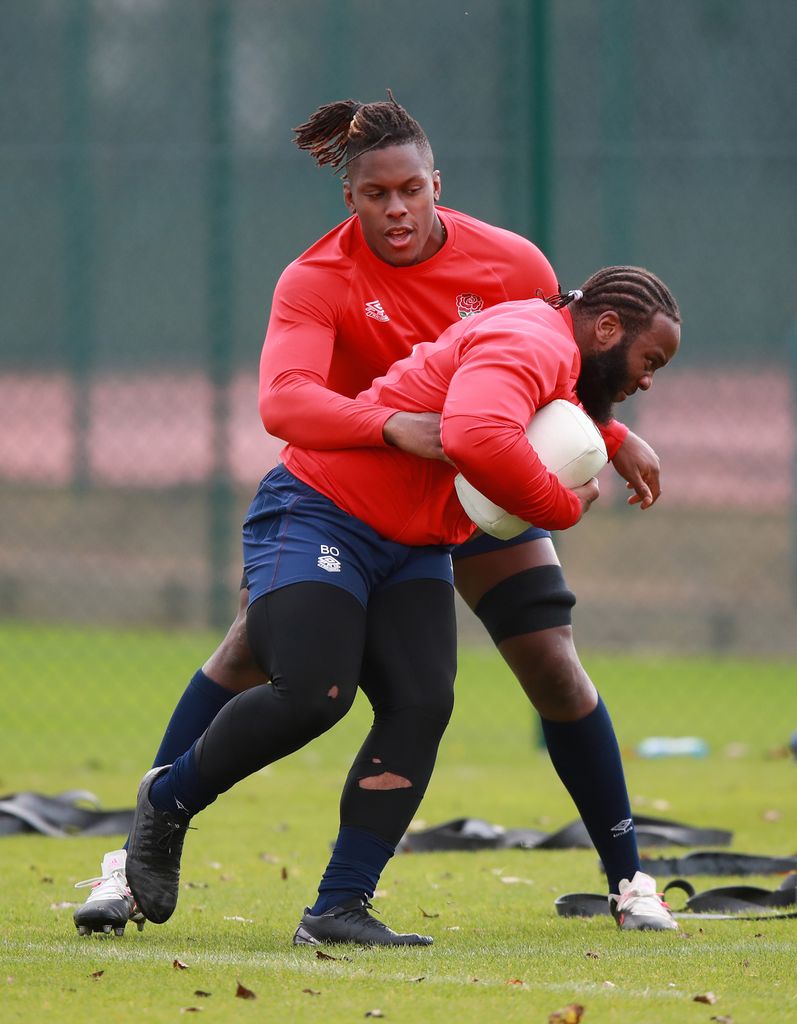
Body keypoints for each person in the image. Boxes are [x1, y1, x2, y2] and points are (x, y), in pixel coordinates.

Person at [73, 94, 678, 940]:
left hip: (463, 494)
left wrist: (609, 434)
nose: (394, 210)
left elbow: (563, 363)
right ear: (349, 198)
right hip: (349, 496)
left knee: (535, 663)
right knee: (272, 660)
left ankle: (628, 883)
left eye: (409, 191)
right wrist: (390, 425)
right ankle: (127, 863)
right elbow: (284, 404)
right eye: (373, 195)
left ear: (437, 185)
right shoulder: (317, 278)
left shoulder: (510, 265)